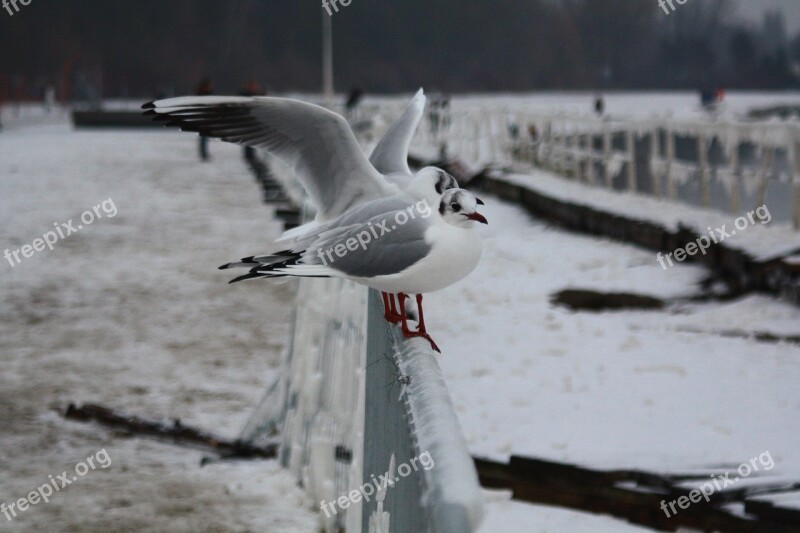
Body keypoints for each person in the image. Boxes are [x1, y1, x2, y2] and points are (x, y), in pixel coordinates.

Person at [195, 78, 214, 161]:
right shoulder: (204, 94)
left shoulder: (200, 93)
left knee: (204, 138)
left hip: (205, 117)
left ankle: (204, 153)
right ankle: (203, 154)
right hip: (204, 118)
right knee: (204, 137)